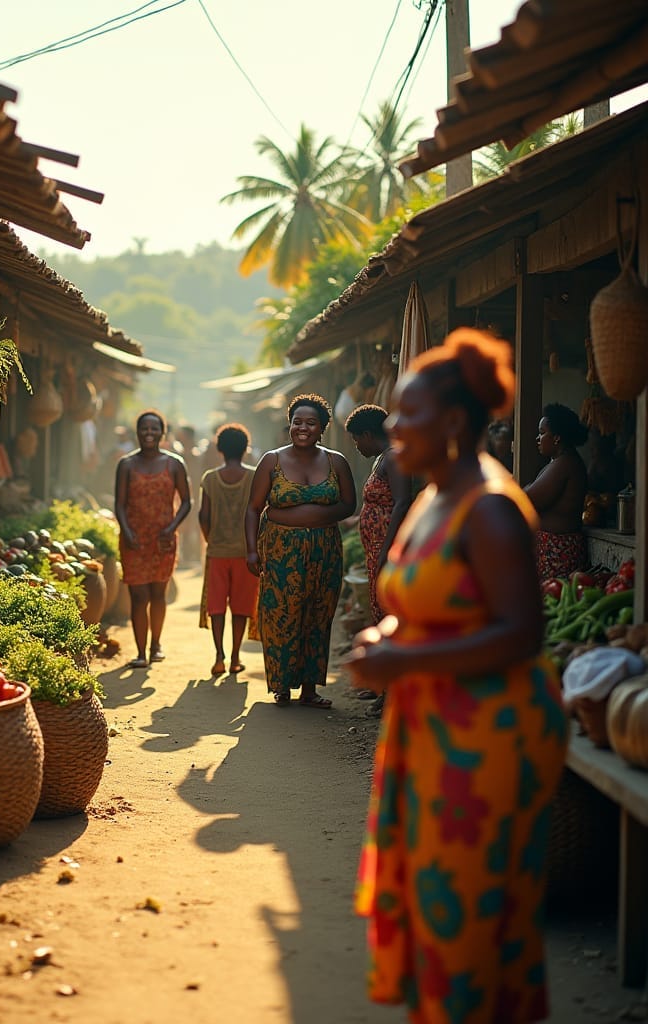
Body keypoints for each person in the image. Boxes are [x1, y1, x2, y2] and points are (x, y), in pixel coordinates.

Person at [345, 328, 568, 1023]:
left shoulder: (493, 508)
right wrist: (387, 634)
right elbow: (427, 604)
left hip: (486, 740)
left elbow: (519, 632)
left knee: (468, 912)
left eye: (406, 415)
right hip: (435, 727)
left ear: (453, 422)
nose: (392, 427)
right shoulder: (435, 495)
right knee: (435, 905)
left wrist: (402, 660)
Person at [244, 393, 356, 707]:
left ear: (323, 428)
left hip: (325, 551)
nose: (302, 428)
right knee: (280, 615)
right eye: (297, 422)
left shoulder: (337, 462)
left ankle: (309, 689)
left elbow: (349, 504)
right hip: (280, 551)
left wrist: (312, 517)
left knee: (318, 616)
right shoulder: (272, 460)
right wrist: (252, 551)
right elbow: (253, 509)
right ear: (289, 424)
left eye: (310, 423)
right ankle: (281, 686)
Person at [114, 409, 191, 669]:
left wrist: (171, 528)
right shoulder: (126, 464)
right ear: (137, 432)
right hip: (133, 539)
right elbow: (120, 505)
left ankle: (155, 644)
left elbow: (187, 502)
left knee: (158, 593)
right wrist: (126, 531)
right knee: (138, 596)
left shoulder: (175, 464)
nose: (149, 433)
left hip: (163, 540)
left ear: (162, 432)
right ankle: (140, 652)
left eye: (154, 429)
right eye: (144, 429)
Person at [344, 403, 414, 627]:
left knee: (388, 605)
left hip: (385, 545)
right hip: (376, 547)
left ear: (367, 435)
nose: (357, 446)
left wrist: (386, 550)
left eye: (356, 440)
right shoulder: (382, 458)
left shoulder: (393, 458)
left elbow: (402, 502)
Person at [198, 423, 258, 677]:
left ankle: (218, 656)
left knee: (217, 607)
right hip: (246, 553)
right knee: (241, 607)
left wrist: (210, 540)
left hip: (217, 552)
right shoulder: (255, 476)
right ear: (246, 449)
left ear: (220, 449)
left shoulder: (210, 478)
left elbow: (203, 516)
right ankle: (235, 657)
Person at [523, 403, 589, 583]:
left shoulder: (565, 464)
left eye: (542, 432)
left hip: (558, 553)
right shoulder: (558, 463)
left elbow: (527, 499)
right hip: (551, 551)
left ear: (557, 438)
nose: (538, 438)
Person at [176, 423, 205, 566]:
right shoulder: (179, 456)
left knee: (195, 524)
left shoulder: (198, 456)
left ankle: (195, 556)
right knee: (183, 524)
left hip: (196, 494)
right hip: (181, 495)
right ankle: (183, 556)